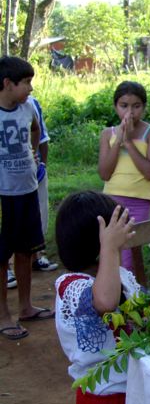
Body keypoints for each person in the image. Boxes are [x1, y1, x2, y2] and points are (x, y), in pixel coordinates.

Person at [54, 191, 139, 404]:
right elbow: (104, 302)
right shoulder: (71, 285)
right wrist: (109, 248)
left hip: (133, 395)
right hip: (105, 401)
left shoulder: (121, 277)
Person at [0, 56, 55, 341]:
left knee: (25, 250)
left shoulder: (29, 107)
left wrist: (34, 156)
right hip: (3, 195)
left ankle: (25, 306)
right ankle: (3, 315)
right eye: (26, 83)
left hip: (27, 188)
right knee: (1, 256)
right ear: (8, 84)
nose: (31, 89)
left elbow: (36, 130)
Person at [98, 81, 150, 272]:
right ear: (115, 106)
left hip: (139, 201)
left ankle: (130, 295)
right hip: (112, 199)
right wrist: (118, 140)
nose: (130, 112)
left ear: (144, 107)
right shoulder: (106, 134)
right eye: (124, 106)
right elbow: (104, 173)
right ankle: (114, 294)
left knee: (130, 256)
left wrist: (128, 143)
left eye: (136, 106)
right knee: (112, 251)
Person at [31, 96, 59, 272]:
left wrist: (43, 165)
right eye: (26, 82)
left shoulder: (32, 104)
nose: (30, 88)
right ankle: (8, 266)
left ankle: (36, 256)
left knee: (39, 212)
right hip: (7, 177)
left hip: (36, 172)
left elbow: (42, 137)